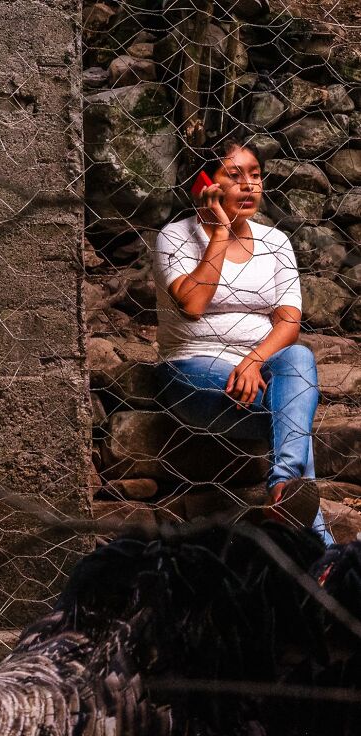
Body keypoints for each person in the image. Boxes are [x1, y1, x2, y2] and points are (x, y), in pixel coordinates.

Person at [152, 134, 334, 544]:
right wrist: (218, 232)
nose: (249, 185)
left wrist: (253, 361)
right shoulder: (174, 236)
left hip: (261, 369)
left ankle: (283, 489)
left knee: (299, 359)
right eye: (234, 175)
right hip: (193, 371)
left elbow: (289, 322)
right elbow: (193, 304)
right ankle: (319, 548)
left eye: (255, 175)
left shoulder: (275, 242)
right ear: (205, 183)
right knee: (293, 418)